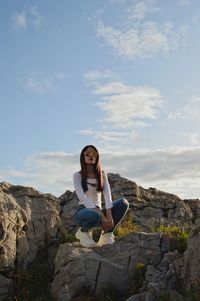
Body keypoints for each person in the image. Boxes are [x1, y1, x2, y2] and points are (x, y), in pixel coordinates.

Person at [73, 145, 129, 248]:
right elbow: (82, 197)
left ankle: (106, 235)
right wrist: (102, 215)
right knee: (94, 214)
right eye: (88, 154)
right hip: (83, 212)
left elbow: (107, 195)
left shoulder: (102, 174)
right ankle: (83, 232)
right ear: (83, 157)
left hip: (98, 213)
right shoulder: (77, 175)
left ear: (97, 157)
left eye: (94, 154)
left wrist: (109, 215)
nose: (91, 155)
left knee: (123, 203)